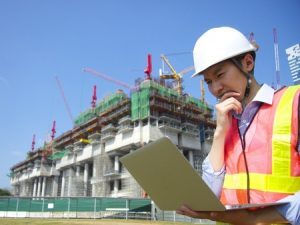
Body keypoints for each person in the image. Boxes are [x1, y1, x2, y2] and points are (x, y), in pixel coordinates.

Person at [176, 27, 300, 225]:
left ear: (248, 63)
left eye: (220, 75)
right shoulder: (226, 124)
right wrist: (219, 133)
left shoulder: (293, 102)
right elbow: (210, 196)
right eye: (208, 81)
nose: (215, 88)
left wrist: (256, 219)